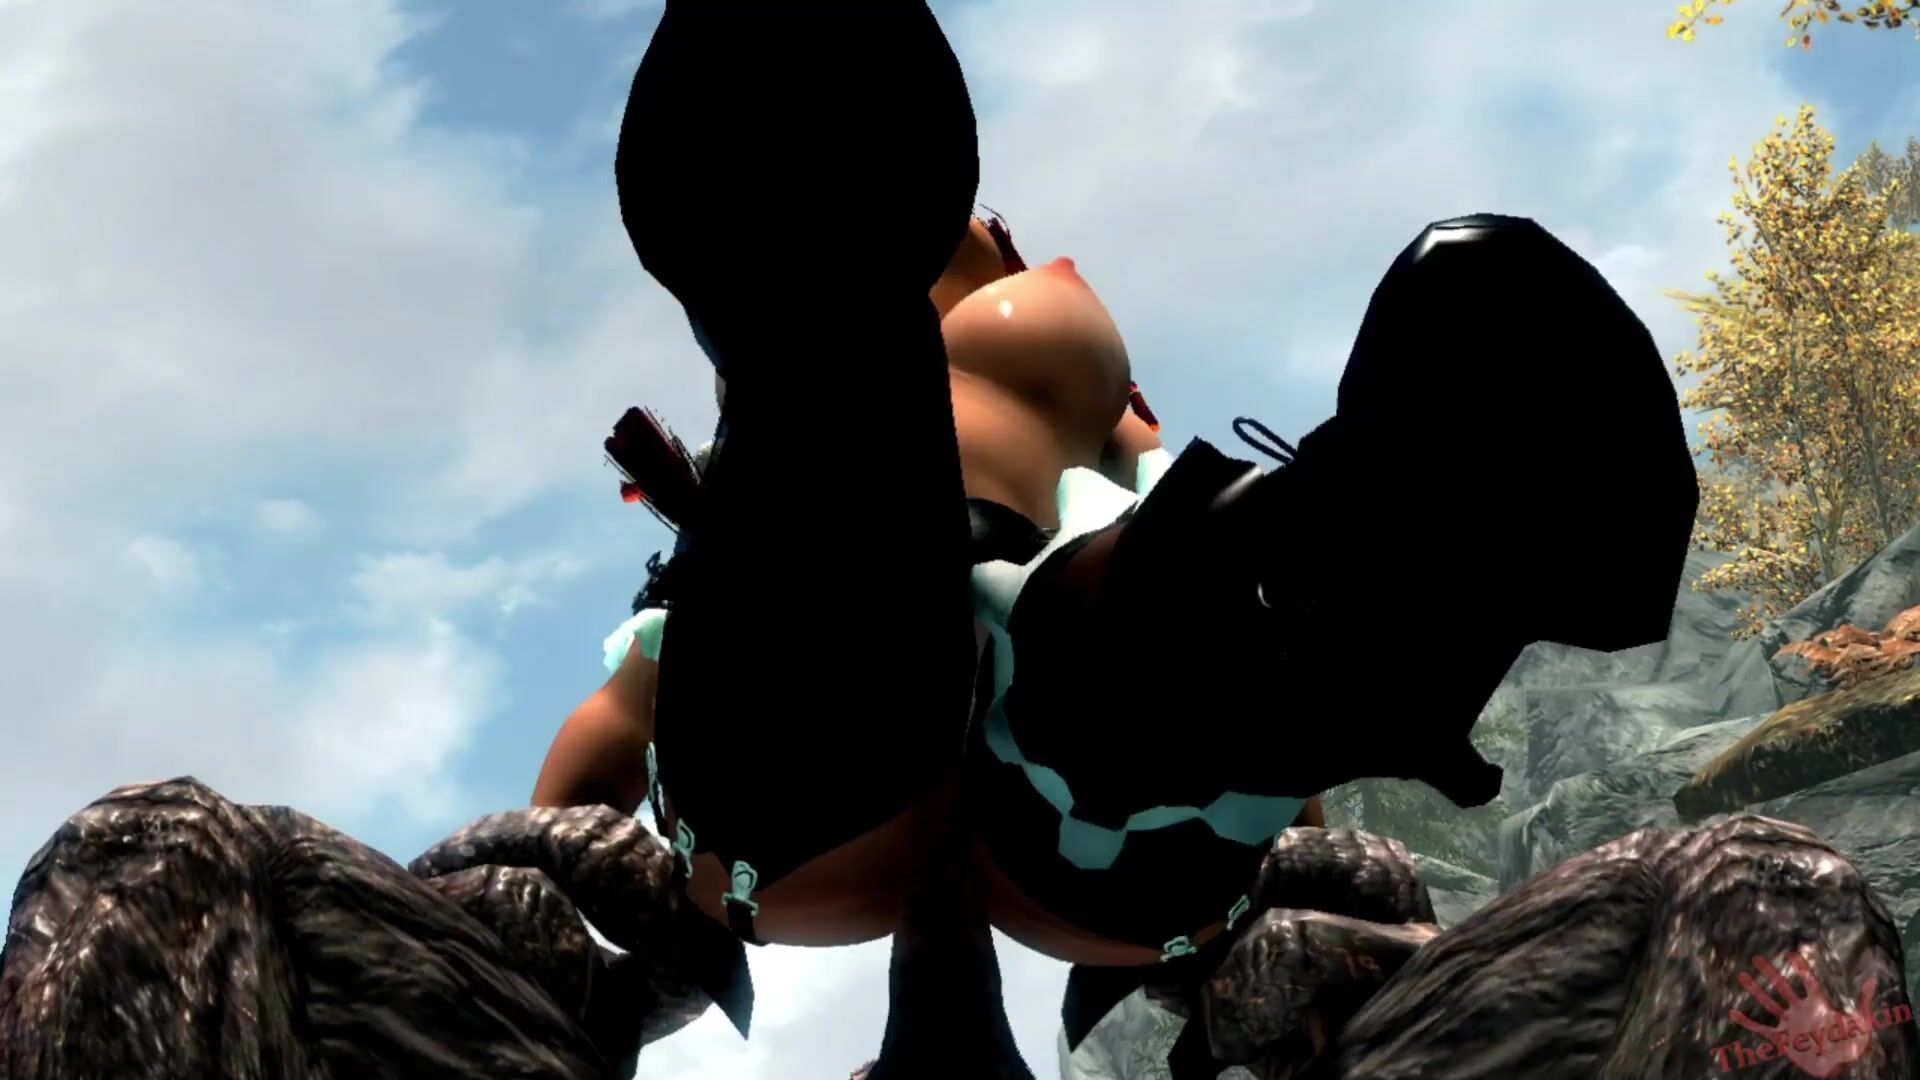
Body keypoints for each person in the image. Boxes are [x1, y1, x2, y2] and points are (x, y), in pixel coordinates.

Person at [542, 0, 1698, 1061]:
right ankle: (1337, 594)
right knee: (904, 538)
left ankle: (1392, 562)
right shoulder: (996, 358)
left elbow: (1181, 543)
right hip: (868, 745)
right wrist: (553, 867)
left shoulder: (1040, 366)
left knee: (1144, 627)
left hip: (951, 756)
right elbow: (632, 705)